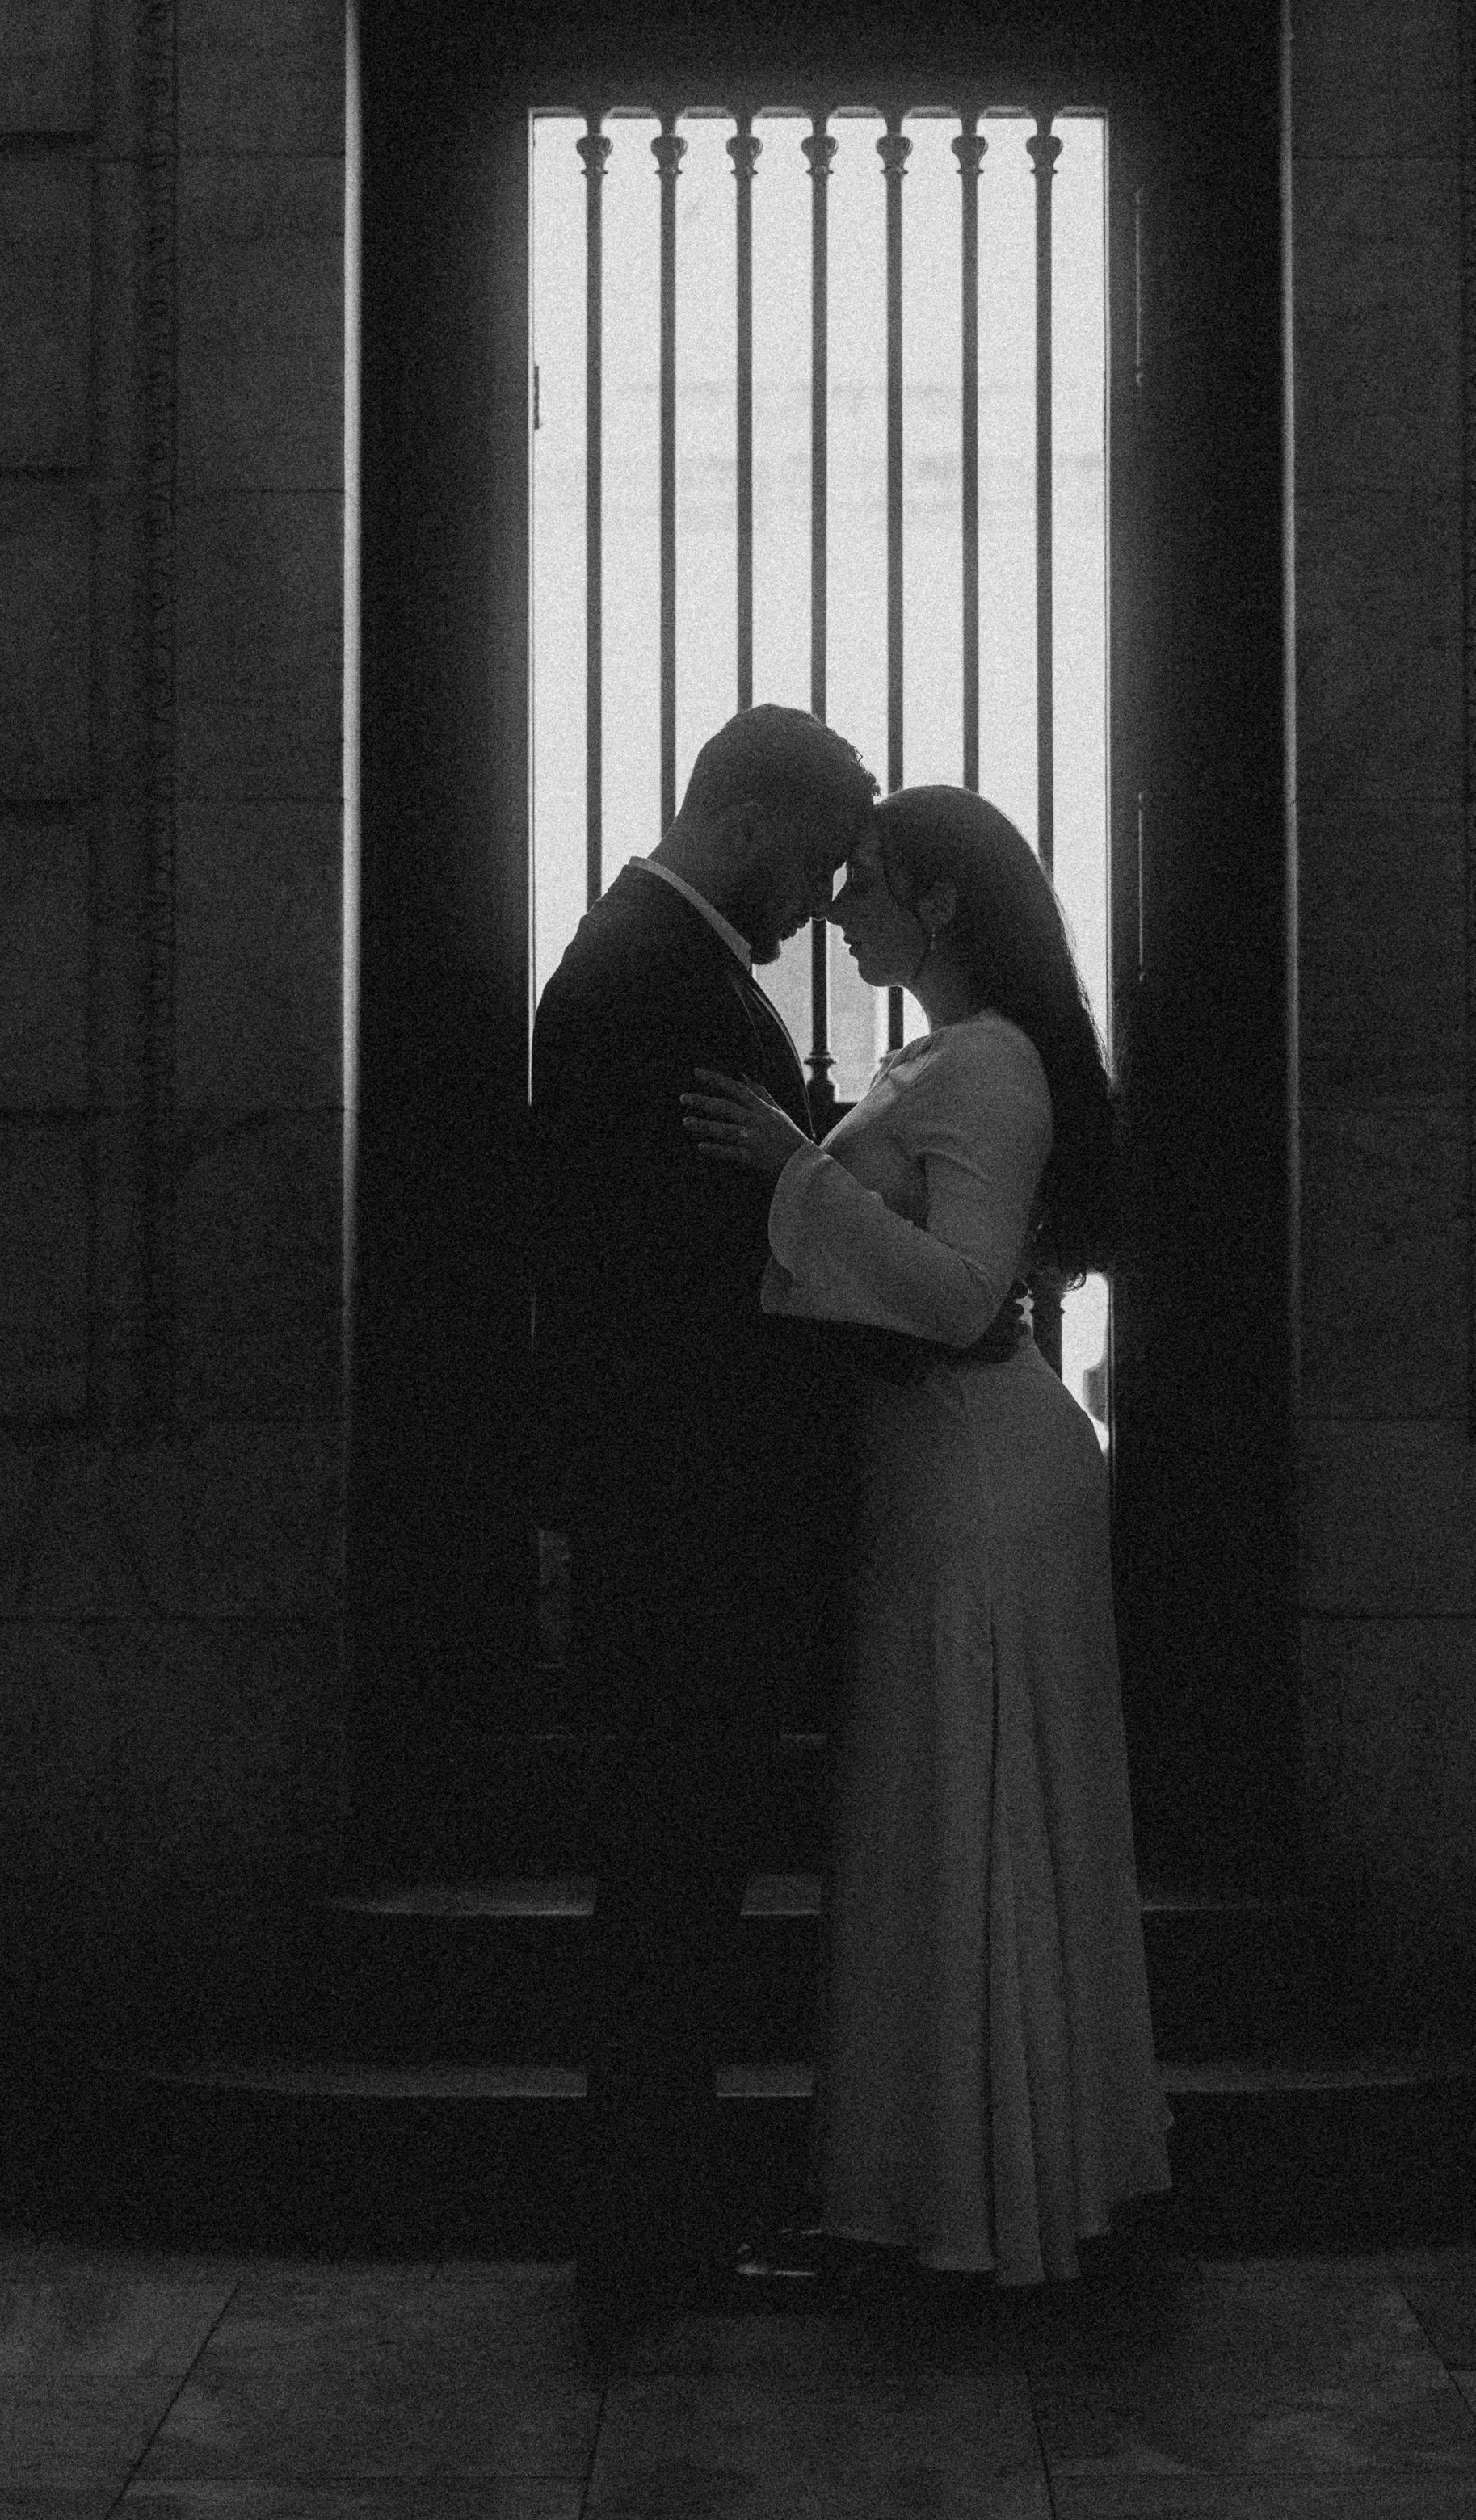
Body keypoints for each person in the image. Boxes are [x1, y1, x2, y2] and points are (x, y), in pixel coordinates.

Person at [682, 784, 1171, 2286]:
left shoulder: (990, 1063)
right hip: (938, 1473)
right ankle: (950, 2189)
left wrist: (797, 1170)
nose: (839, 909)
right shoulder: (951, 1056)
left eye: (868, 883)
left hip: (974, 1473)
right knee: (935, 1820)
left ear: (942, 904)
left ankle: (966, 2203)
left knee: (963, 1819)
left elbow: (961, 1296)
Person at [528, 703, 877, 2312]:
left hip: (676, 1500)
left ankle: (653, 2220)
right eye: (808, 865)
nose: (814, 902)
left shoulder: (653, 966)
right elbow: (666, 1273)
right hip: (687, 1506)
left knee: (675, 1865)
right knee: (674, 1871)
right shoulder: (643, 980)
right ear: (742, 826)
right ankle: (649, 2227)